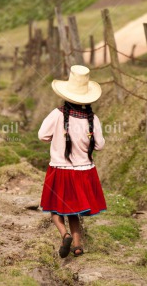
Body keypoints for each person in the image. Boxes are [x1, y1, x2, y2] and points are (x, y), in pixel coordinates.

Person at [38, 65, 107, 258]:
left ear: (66, 94)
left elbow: (42, 135)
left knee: (54, 209)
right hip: (84, 172)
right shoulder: (93, 119)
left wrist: (57, 139)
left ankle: (64, 234)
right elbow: (100, 145)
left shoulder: (57, 114)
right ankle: (77, 245)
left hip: (60, 170)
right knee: (73, 212)